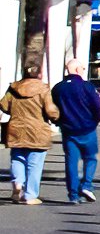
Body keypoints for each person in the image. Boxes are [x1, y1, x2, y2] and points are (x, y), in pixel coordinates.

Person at [2, 58, 60, 205]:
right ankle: (30, 195)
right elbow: (50, 110)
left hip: (16, 128)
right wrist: (57, 117)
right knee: (35, 163)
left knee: (17, 158)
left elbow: (4, 106)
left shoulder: (13, 88)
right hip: (37, 130)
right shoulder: (43, 89)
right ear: (39, 73)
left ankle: (17, 184)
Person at [51, 59, 100, 204]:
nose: (83, 70)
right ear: (77, 70)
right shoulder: (86, 87)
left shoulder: (58, 88)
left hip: (68, 131)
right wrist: (94, 121)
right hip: (87, 129)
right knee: (91, 158)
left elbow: (52, 110)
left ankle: (73, 195)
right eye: (82, 68)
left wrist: (59, 123)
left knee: (71, 162)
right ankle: (87, 185)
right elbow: (98, 107)